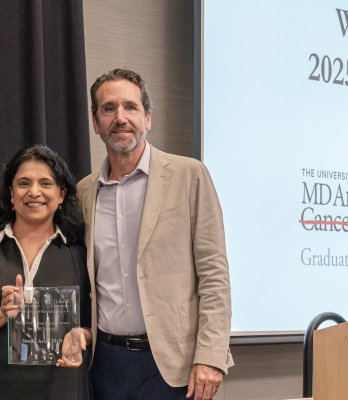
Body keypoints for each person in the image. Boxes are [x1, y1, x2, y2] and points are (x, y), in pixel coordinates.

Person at [77, 68, 233, 400]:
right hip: (105, 365)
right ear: (95, 123)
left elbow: (214, 274)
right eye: (108, 109)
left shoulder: (189, 176)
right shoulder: (84, 193)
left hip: (175, 365)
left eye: (130, 107)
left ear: (147, 118)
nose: (120, 117)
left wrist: (210, 356)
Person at [0, 144, 92, 400]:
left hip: (64, 389)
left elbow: (96, 326)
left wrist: (83, 336)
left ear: (61, 194)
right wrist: (2, 314)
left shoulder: (81, 256)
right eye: (23, 183)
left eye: (46, 183)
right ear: (11, 195)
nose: (34, 192)